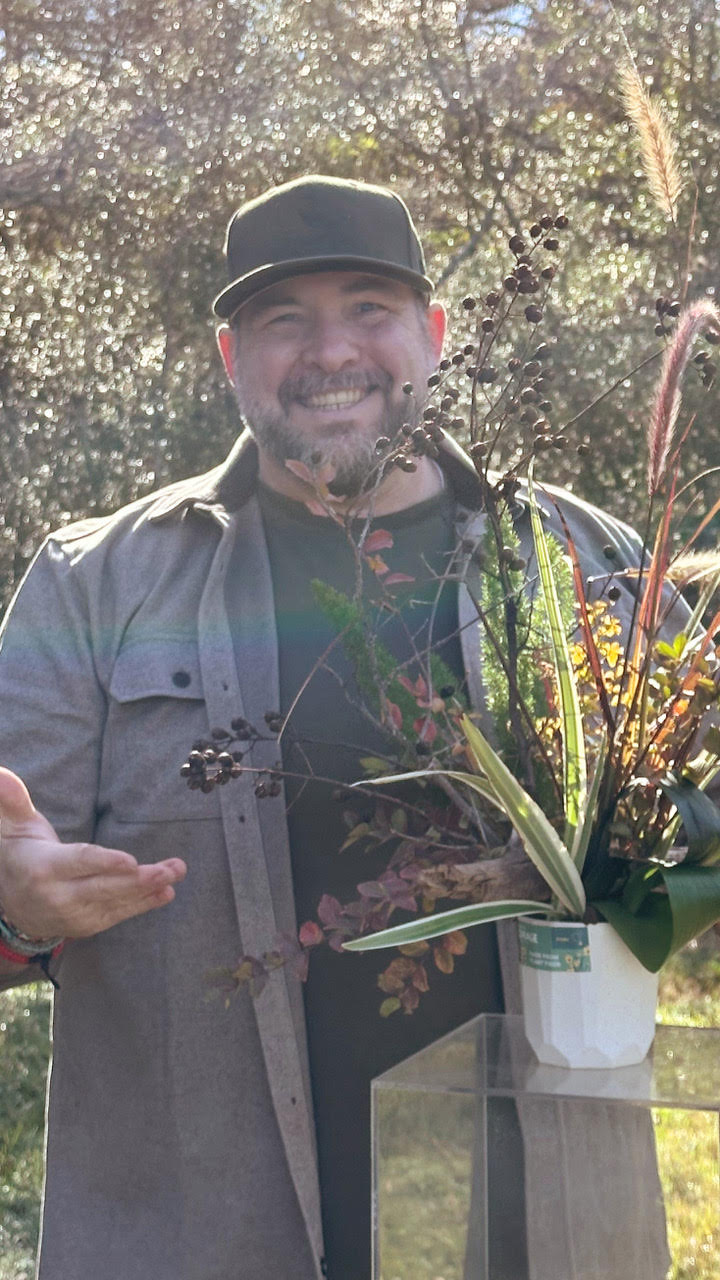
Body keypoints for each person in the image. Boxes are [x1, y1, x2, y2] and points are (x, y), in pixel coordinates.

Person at [0, 176, 670, 1280]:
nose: (331, 350)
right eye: (282, 319)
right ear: (230, 355)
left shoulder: (587, 567)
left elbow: (691, 840)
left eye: (368, 306)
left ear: (434, 335)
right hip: (199, 1231)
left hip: (541, 1231)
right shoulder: (92, 583)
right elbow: (12, 872)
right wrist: (16, 908)